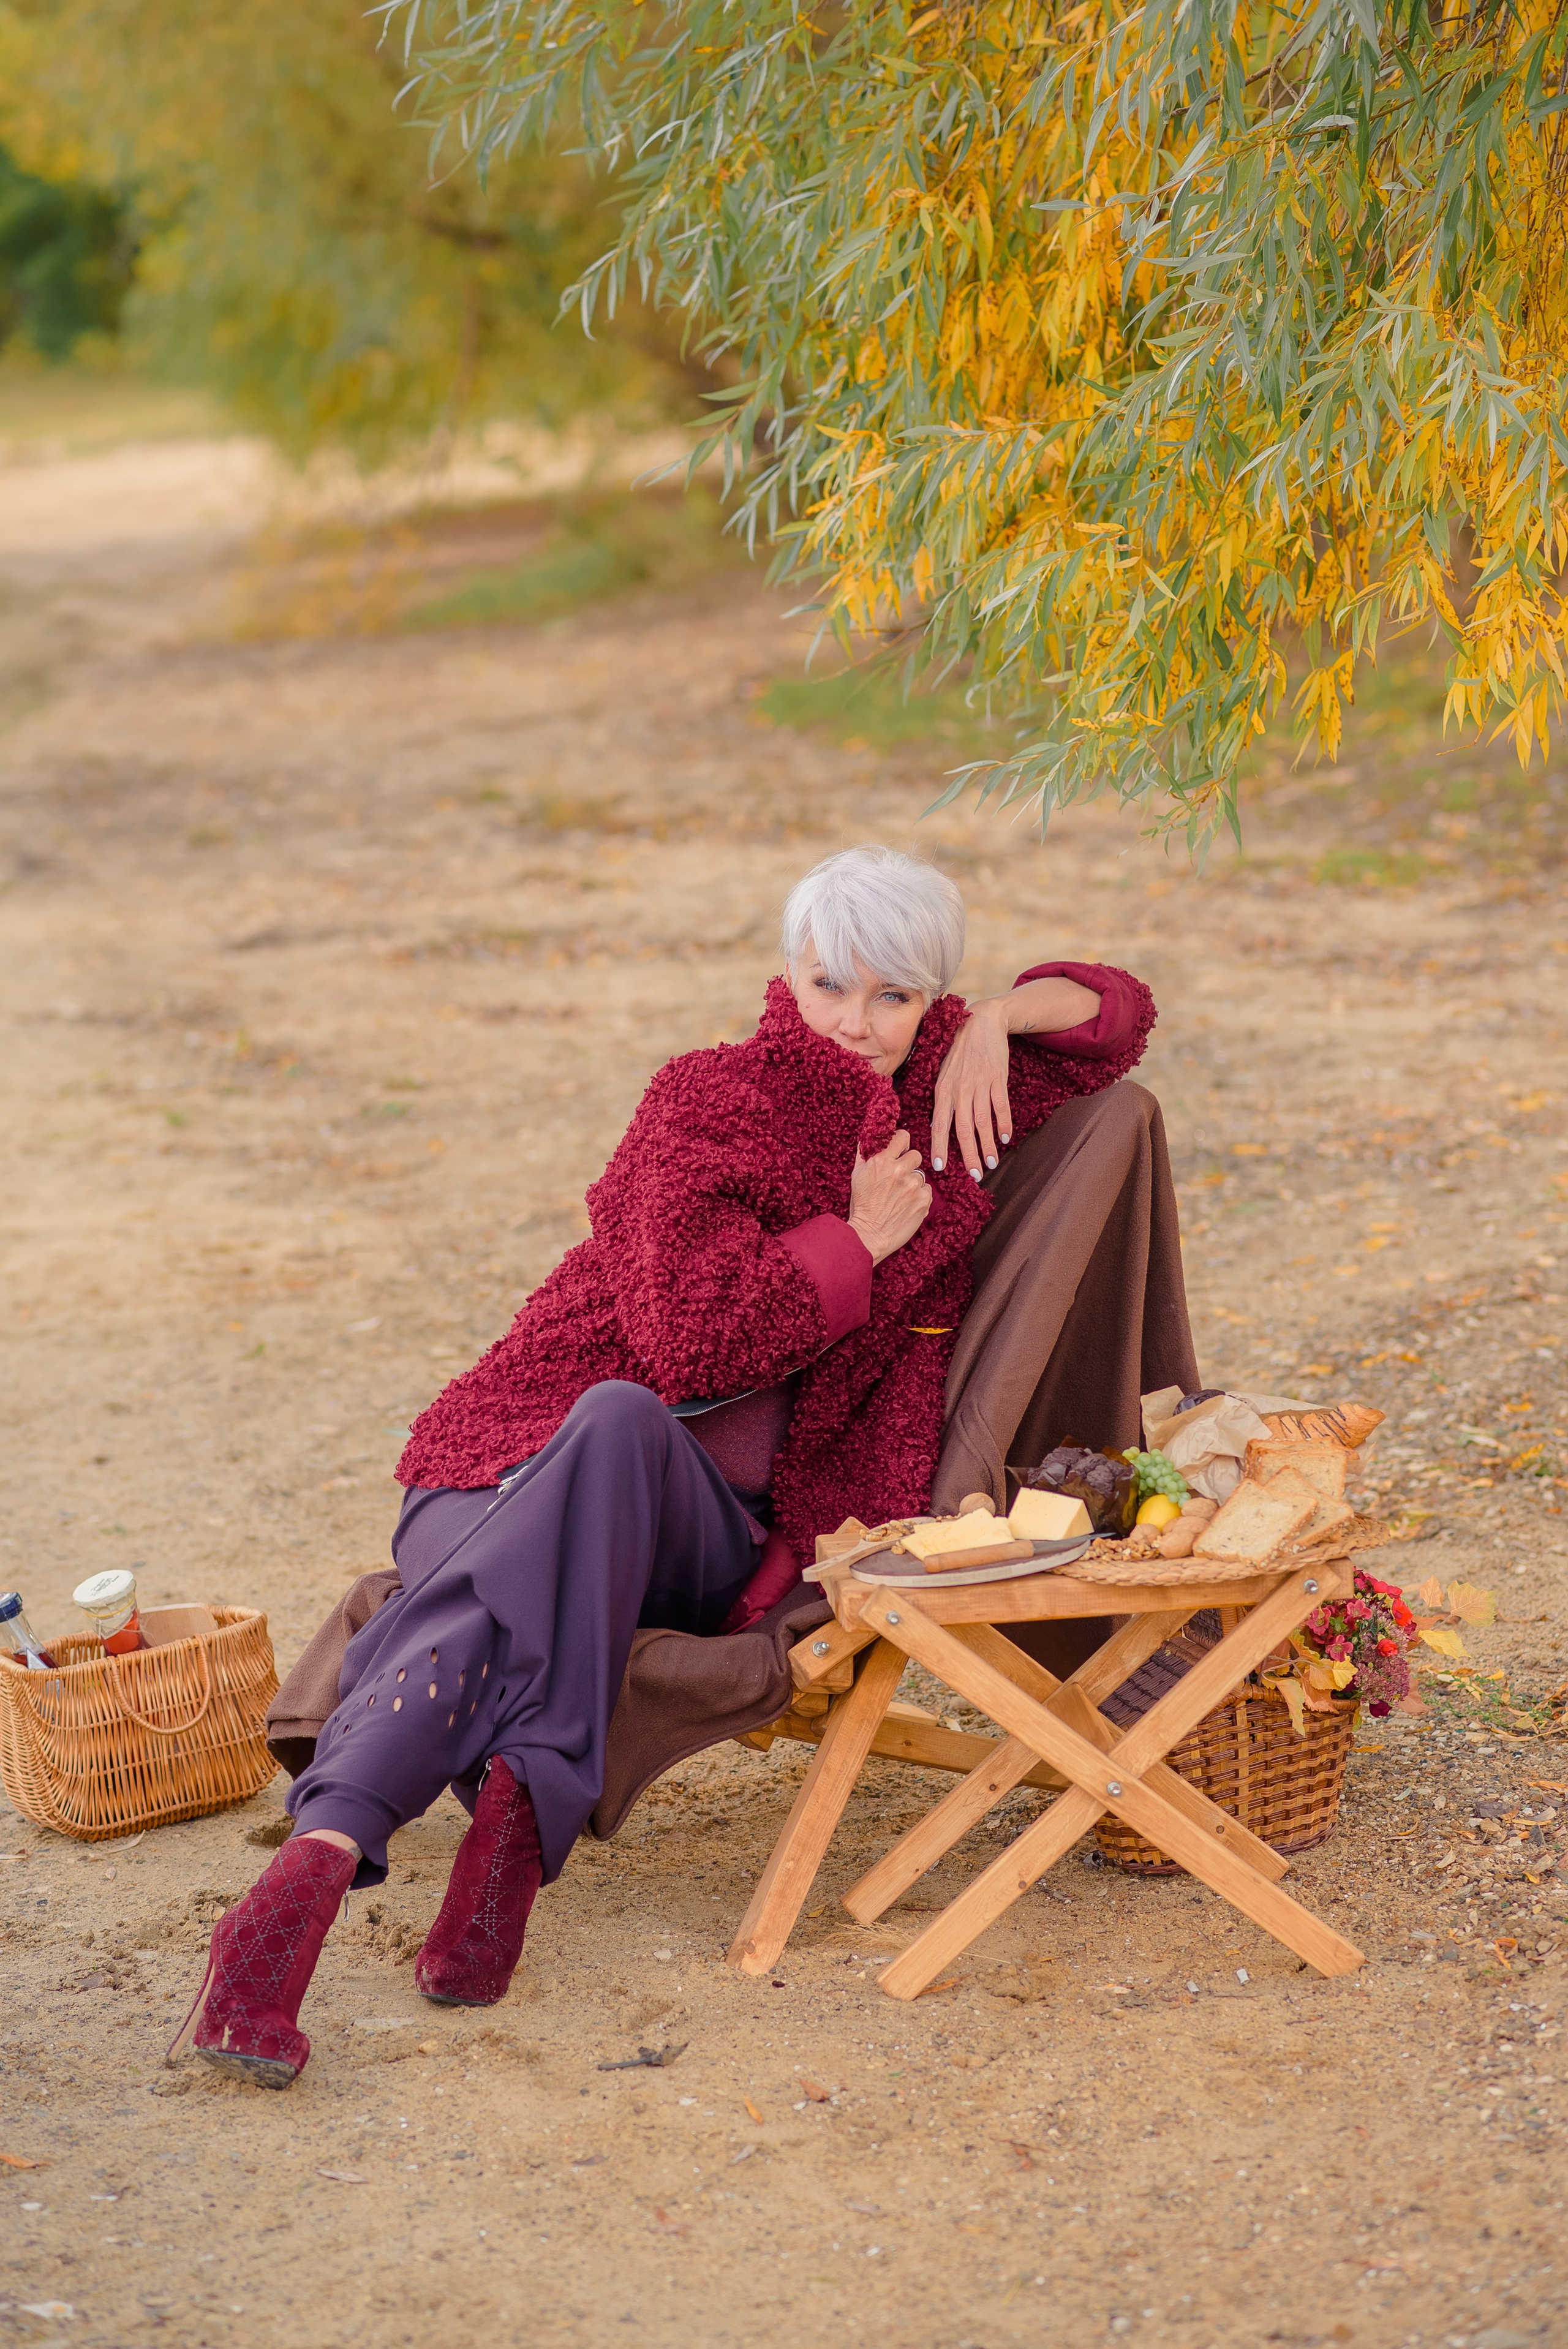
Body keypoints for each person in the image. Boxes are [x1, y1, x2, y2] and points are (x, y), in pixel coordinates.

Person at [174, 845, 1197, 2087]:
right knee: (609, 1415)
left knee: (602, 1462)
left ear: (930, 998)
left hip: (700, 1530)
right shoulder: (708, 1099)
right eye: (831, 985)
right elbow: (690, 1339)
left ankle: (355, 1846)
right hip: (502, 1468)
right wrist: (856, 1243)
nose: (857, 1023)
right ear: (787, 973)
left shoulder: (946, 1098)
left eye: (896, 995)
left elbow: (1120, 1014)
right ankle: (362, 1867)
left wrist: (996, 1019)